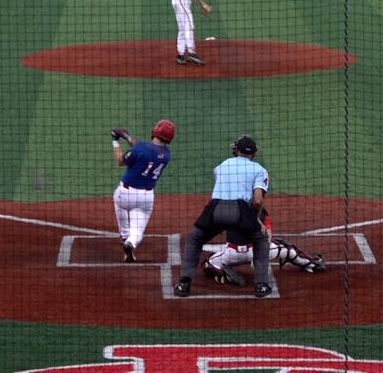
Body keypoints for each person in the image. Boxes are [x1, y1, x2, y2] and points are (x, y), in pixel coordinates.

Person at [174, 135, 272, 298]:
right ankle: (261, 285)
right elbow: (257, 200)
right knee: (261, 239)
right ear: (254, 153)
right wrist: (254, 221)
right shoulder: (259, 169)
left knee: (195, 238)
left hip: (216, 208)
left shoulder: (221, 166)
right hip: (240, 211)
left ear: (236, 151)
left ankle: (184, 284)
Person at [111, 120, 175, 262]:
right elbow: (143, 148)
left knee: (119, 205)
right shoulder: (166, 155)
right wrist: (127, 137)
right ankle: (131, 242)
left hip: (125, 194)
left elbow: (120, 161)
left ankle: (124, 234)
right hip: (145, 198)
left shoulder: (140, 149)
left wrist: (116, 140)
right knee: (138, 230)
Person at [202, 218, 326, 287]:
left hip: (231, 253)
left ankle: (221, 272)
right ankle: (313, 265)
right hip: (256, 252)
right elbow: (267, 235)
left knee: (208, 262)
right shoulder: (257, 207)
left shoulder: (229, 207)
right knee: (288, 249)